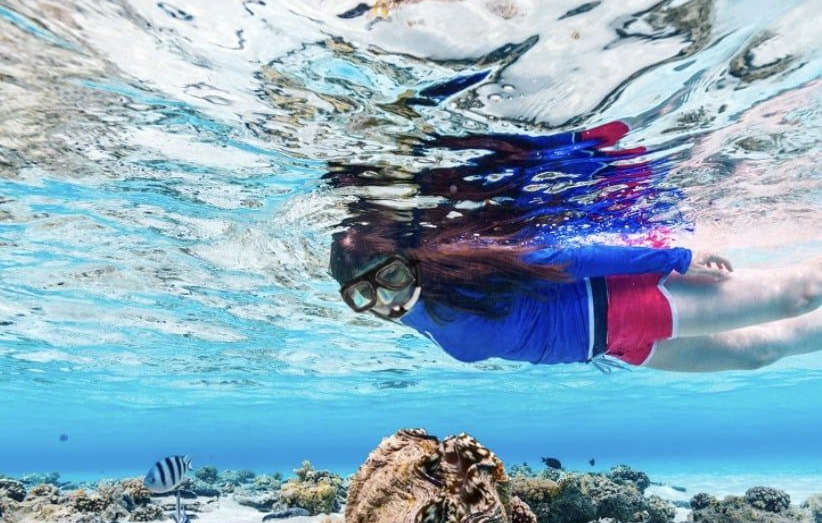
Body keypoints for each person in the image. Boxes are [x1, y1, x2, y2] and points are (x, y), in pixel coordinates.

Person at [327, 124, 821, 373]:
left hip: (624, 303)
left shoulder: (464, 265)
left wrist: (677, 258)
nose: (386, 300)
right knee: (759, 352)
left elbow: (567, 259)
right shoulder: (408, 311)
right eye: (363, 296)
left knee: (800, 293)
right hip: (611, 344)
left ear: (409, 259)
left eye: (390, 278)